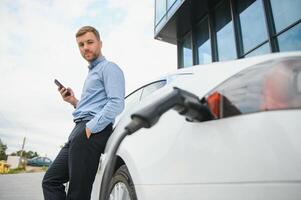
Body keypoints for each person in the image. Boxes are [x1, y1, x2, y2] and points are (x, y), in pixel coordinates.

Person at [42, 26, 125, 200]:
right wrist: (73, 101)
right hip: (79, 131)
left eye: (89, 42)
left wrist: (91, 127)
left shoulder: (109, 68)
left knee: (78, 193)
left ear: (100, 43)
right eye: (81, 44)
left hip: (90, 131)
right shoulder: (92, 73)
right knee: (51, 180)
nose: (85, 47)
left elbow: (117, 103)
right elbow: (92, 106)